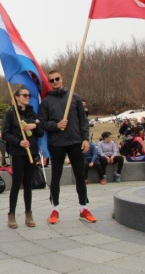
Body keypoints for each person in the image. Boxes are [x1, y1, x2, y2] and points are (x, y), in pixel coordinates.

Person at [38, 70, 96, 224]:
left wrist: (85, 138)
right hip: (57, 144)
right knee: (56, 177)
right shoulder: (46, 102)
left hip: (76, 142)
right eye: (52, 80)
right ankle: (54, 209)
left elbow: (83, 120)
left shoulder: (74, 97)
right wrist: (56, 125)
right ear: (49, 83)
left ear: (62, 79)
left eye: (57, 79)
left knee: (80, 176)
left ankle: (83, 208)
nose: (55, 82)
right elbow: (42, 123)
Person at [2, 87, 43, 229]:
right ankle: (11, 214)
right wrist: (19, 142)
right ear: (17, 97)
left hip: (31, 152)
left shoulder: (32, 112)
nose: (27, 97)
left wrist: (34, 126)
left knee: (28, 184)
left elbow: (41, 132)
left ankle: (28, 213)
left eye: (29, 95)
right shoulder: (11, 113)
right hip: (18, 152)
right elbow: (5, 134)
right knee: (16, 183)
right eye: (24, 95)